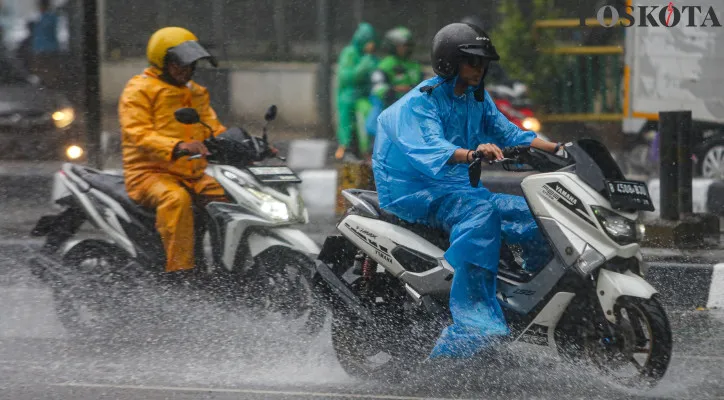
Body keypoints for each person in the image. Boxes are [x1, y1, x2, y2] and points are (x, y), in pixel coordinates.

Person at [372, 22, 562, 359]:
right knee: (482, 214)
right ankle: (472, 326)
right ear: (449, 62)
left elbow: (510, 133)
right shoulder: (421, 102)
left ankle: (534, 302)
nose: (480, 68)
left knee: (536, 214)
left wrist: (561, 149)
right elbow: (431, 147)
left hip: (457, 189)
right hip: (414, 191)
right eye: (473, 62)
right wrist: (473, 153)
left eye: (483, 62)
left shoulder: (476, 98)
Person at [119, 27, 227, 276]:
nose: (185, 70)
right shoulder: (139, 90)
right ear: (162, 61)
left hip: (194, 175)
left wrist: (245, 144)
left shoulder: (196, 92)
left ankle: (230, 268)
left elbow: (212, 128)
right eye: (179, 63)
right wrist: (176, 147)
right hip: (149, 174)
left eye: (190, 64)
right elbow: (138, 133)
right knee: (176, 200)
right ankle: (180, 273)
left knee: (231, 197)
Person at [365, 26, 422, 137]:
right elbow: (378, 88)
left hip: (410, 106)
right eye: (403, 45)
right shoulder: (385, 65)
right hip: (389, 105)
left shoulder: (414, 65)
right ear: (392, 46)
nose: (407, 48)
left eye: (408, 45)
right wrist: (395, 90)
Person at [335, 22, 378, 161]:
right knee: (347, 115)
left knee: (369, 113)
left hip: (365, 95)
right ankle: (345, 145)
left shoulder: (370, 57)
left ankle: (367, 148)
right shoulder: (350, 53)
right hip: (349, 94)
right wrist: (364, 65)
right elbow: (347, 76)